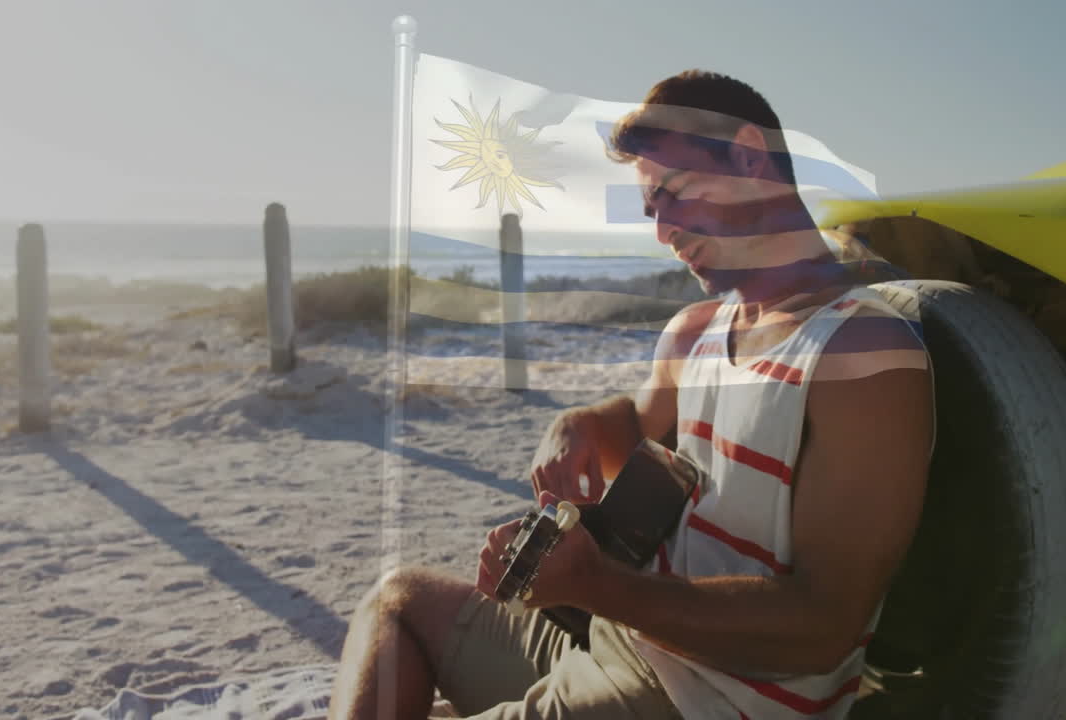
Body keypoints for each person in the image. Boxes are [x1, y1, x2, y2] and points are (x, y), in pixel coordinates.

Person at [328, 70, 934, 720]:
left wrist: (590, 582)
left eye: (674, 194)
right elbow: (635, 431)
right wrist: (577, 421)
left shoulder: (862, 354)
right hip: (612, 642)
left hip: (696, 699)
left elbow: (820, 629)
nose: (663, 231)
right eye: (652, 210)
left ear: (751, 155)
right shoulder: (697, 333)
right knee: (399, 598)